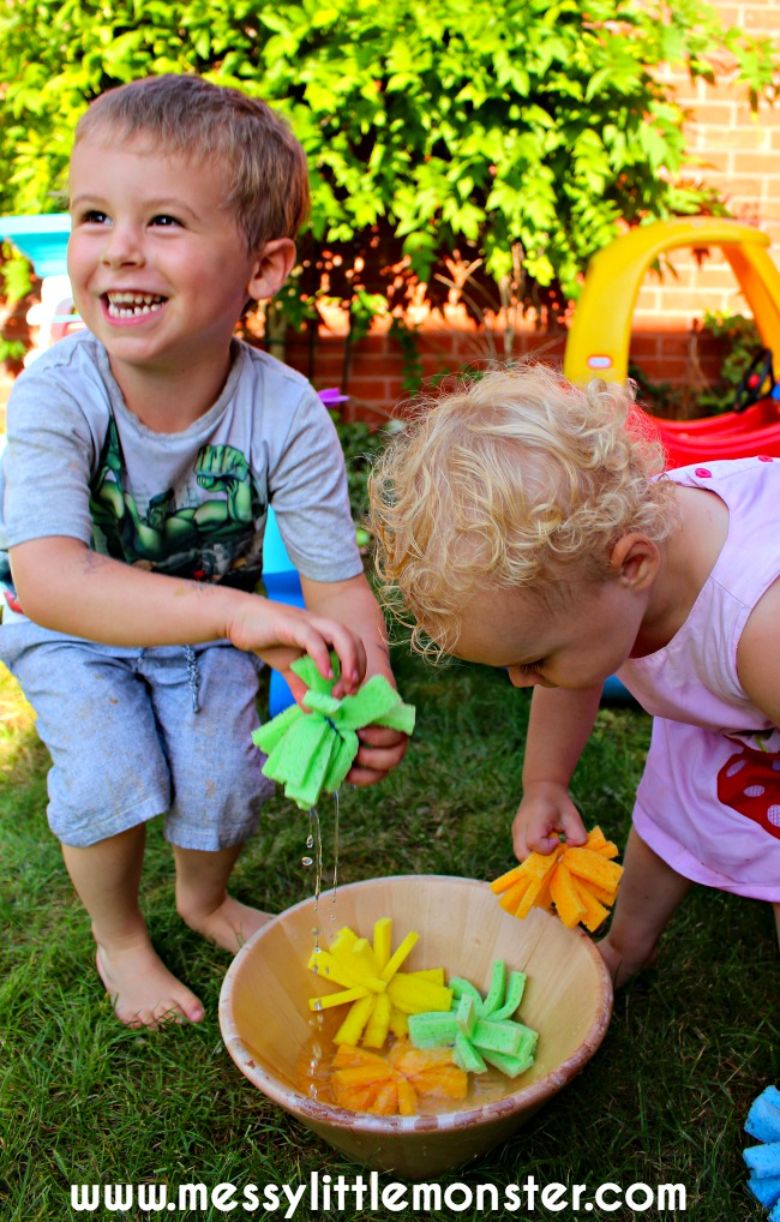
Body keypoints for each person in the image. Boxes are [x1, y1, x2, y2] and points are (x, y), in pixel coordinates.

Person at [0, 75, 406, 1027]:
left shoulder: (286, 413)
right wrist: (237, 614)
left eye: (165, 222)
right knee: (108, 774)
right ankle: (121, 940)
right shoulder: (58, 394)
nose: (119, 250)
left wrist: (363, 687)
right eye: (94, 216)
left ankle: (205, 899)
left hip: (214, 637)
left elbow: (337, 586)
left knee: (227, 783)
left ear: (262, 269)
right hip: (77, 633)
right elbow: (52, 582)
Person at [369, 364, 780, 984]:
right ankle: (628, 948)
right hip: (731, 701)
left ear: (634, 564)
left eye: (534, 660)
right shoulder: (600, 582)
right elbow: (572, 677)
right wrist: (544, 783)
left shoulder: (759, 625)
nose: (520, 680)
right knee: (674, 806)